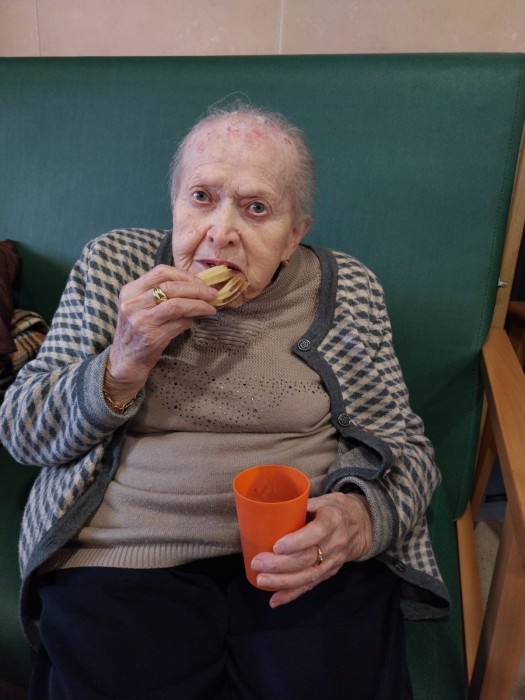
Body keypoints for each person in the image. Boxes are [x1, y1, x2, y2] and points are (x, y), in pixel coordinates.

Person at [0, 103, 449, 700]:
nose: (221, 232)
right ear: (175, 204)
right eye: (202, 197)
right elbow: (24, 430)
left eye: (256, 208)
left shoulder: (345, 288)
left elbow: (404, 445)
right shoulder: (115, 264)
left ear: (294, 234)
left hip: (300, 555)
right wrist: (122, 361)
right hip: (123, 558)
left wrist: (359, 519)